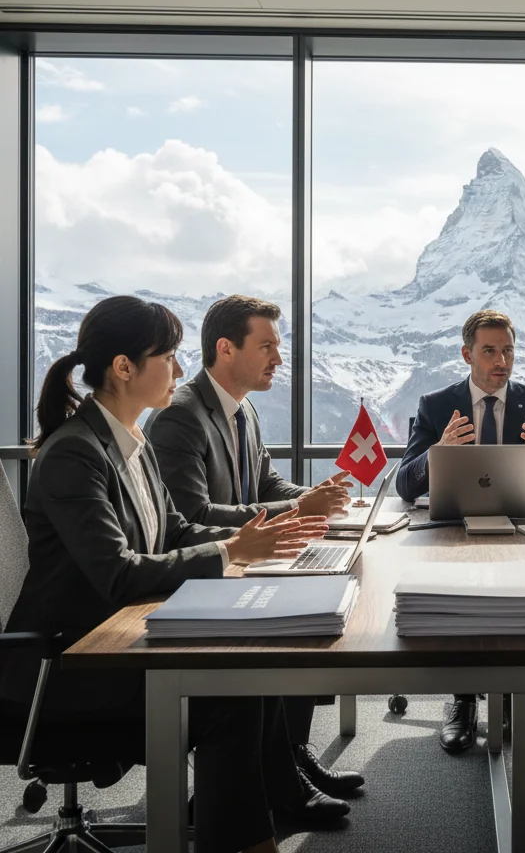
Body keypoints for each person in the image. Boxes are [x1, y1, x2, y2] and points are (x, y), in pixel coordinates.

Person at [0, 296, 351, 853]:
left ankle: (248, 826)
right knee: (230, 697)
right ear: (124, 367)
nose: (181, 369)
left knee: (246, 681)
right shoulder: (75, 454)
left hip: (115, 639)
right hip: (64, 666)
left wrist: (249, 544)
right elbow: (117, 574)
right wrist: (234, 550)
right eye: (167, 355)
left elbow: (175, 530)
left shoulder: (128, 444)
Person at [146, 295, 362, 794]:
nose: (278, 359)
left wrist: (311, 497)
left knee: (315, 598)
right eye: (267, 346)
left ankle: (286, 752)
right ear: (225, 348)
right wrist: (297, 512)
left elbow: (266, 486)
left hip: (243, 565)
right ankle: (278, 775)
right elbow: (192, 517)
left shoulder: (242, 410)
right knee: (299, 621)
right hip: (200, 579)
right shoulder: (182, 416)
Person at [397, 309, 525, 753]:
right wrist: (437, 453)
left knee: (522, 607)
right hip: (455, 527)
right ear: (467, 354)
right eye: (490, 351)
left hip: (520, 527)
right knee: (464, 607)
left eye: (509, 351)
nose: (502, 361)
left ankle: (518, 697)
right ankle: (463, 700)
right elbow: (405, 485)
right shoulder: (437, 405)